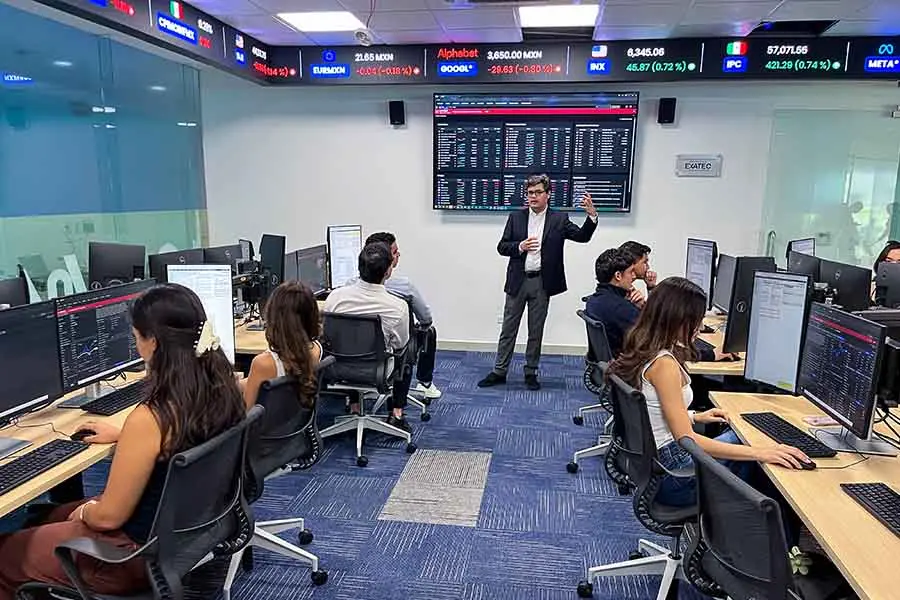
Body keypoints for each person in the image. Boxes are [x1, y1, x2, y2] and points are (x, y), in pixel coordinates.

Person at [0, 284, 246, 598]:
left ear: (153, 342)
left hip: (130, 557)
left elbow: (109, 517)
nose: (136, 345)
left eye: (136, 337)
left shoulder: (152, 417)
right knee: (45, 516)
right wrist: (127, 436)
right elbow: (180, 436)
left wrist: (86, 512)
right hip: (182, 537)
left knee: (6, 553)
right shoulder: (221, 390)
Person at [608, 277, 810, 508]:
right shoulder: (664, 365)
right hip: (674, 476)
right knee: (758, 454)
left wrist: (694, 416)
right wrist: (760, 453)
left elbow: (651, 411)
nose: (699, 326)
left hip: (658, 464)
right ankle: (755, 524)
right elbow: (687, 439)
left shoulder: (643, 346)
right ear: (677, 320)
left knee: (745, 436)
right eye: (696, 320)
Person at [478, 173, 598, 391]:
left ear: (548, 194)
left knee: (536, 330)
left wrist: (591, 217)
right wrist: (519, 246)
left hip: (542, 283)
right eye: (530, 192)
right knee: (508, 328)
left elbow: (582, 236)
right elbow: (502, 246)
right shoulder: (516, 217)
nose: (533, 196)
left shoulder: (559, 219)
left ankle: (531, 371)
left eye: (538, 192)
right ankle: (499, 371)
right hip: (518, 281)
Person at [323, 242, 412, 432]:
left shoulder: (334, 298)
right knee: (405, 354)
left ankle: (354, 407)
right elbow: (400, 345)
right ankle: (396, 413)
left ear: (359, 267)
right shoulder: (397, 307)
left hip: (336, 368)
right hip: (376, 371)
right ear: (388, 271)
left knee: (348, 346)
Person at [358, 232, 441, 400]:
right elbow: (426, 319)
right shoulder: (404, 287)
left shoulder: (348, 287)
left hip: (355, 352)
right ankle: (424, 384)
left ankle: (355, 398)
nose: (399, 255)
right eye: (395, 252)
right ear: (386, 260)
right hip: (391, 352)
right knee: (429, 332)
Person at [243, 280, 322, 409]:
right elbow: (261, 379)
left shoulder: (264, 363)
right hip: (293, 418)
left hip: (268, 422)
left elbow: (247, 412)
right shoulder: (316, 349)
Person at [584, 248, 640, 357]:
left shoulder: (592, 300)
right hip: (624, 362)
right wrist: (641, 307)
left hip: (606, 362)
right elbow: (650, 335)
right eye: (631, 272)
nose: (634, 276)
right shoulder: (621, 308)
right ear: (618, 276)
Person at [618, 240, 656, 308]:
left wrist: (651, 287)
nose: (648, 267)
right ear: (632, 264)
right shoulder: (621, 290)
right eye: (645, 262)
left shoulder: (629, 289)